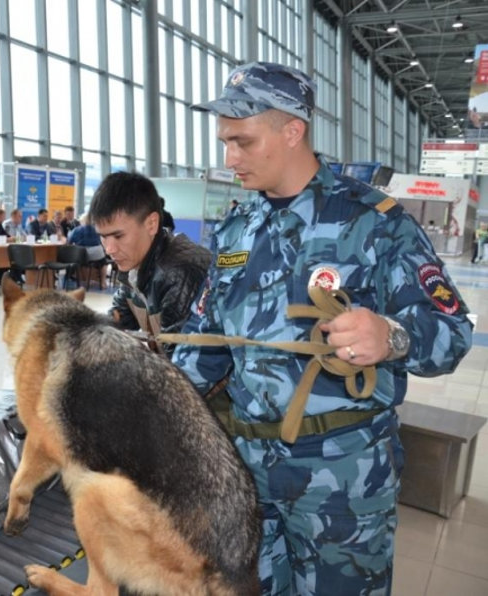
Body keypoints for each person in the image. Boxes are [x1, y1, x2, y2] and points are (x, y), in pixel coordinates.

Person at [173, 61, 473, 594]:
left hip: (342, 481)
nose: (229, 158)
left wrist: (391, 336)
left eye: (241, 141)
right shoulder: (239, 229)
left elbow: (451, 332)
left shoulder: (375, 221)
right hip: (247, 473)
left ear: (292, 130)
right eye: (224, 141)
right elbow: (203, 344)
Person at [91, 171, 211, 355]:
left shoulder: (178, 271)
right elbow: (116, 321)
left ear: (151, 224)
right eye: (103, 237)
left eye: (118, 236)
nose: (109, 249)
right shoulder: (136, 265)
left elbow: (182, 364)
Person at [68, 211, 107, 288]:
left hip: (82, 254)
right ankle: (103, 282)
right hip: (97, 254)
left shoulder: (76, 230)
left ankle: (83, 281)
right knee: (103, 264)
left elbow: (69, 241)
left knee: (80, 263)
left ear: (82, 221)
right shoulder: (97, 229)